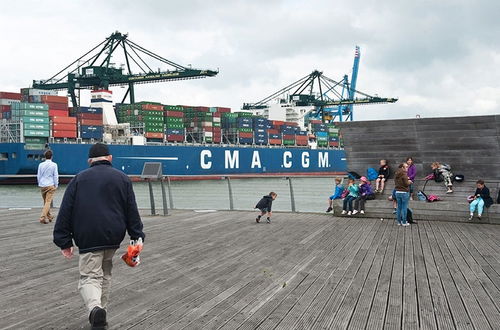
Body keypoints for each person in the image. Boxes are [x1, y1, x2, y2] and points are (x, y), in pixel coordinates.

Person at [53, 143, 145, 330]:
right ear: (110, 158)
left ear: (90, 161)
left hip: (88, 236)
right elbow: (131, 210)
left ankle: (95, 309)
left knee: (89, 277)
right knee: (106, 274)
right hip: (113, 236)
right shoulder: (122, 178)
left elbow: (66, 210)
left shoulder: (79, 179)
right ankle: (100, 313)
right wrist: (137, 235)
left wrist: (63, 240)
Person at [37, 149, 59, 224]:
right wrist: (56, 185)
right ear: (52, 156)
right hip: (50, 185)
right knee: (48, 202)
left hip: (42, 185)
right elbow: (55, 176)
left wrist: (39, 183)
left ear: (45, 156)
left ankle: (49, 216)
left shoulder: (40, 165)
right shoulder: (54, 165)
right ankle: (42, 217)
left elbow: (38, 175)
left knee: (45, 202)